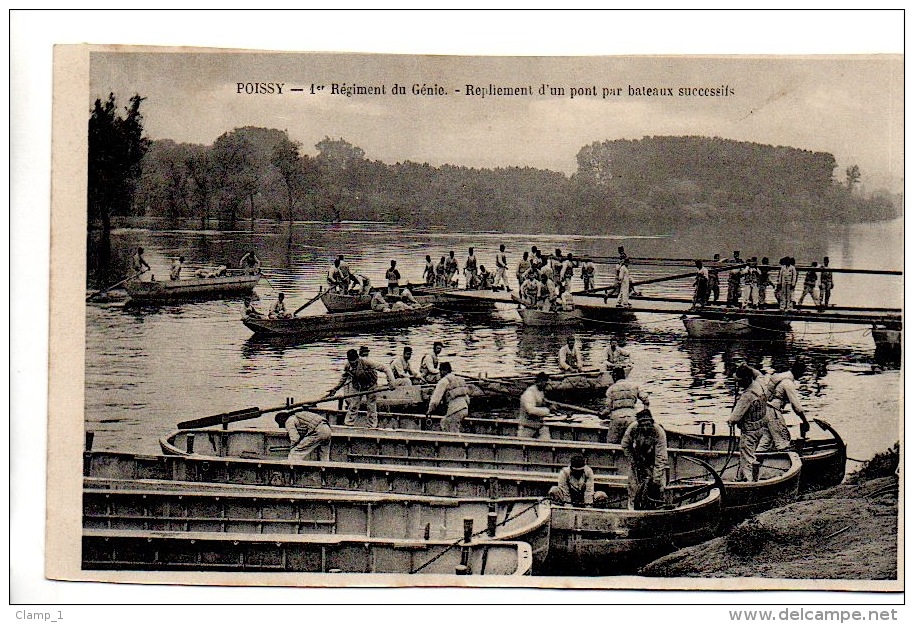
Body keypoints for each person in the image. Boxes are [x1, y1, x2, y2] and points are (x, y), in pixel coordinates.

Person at [326, 348, 395, 428]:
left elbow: (386, 368)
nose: (353, 365)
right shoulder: (347, 366)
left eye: (355, 363)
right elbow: (343, 378)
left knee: (371, 406)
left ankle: (372, 426)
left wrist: (391, 382)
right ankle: (348, 424)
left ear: (358, 358)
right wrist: (335, 389)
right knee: (353, 405)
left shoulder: (367, 362)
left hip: (370, 386)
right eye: (351, 363)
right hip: (357, 386)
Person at [727, 365, 769, 482]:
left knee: (748, 459)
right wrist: (746, 367)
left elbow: (734, 418)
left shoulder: (747, 396)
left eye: (739, 381)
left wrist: (730, 421)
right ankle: (740, 478)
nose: (738, 384)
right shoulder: (760, 384)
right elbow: (759, 373)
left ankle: (751, 482)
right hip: (761, 428)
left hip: (749, 432)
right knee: (747, 455)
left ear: (746, 380)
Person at [620, 409, 669, 510]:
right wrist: (635, 461)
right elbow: (625, 445)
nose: (646, 427)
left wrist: (656, 478)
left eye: (648, 424)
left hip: (654, 460)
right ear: (638, 424)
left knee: (658, 486)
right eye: (643, 425)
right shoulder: (632, 428)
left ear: (652, 422)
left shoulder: (659, 432)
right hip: (638, 460)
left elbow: (661, 457)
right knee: (633, 488)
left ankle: (658, 507)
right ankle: (633, 509)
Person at [601, 367, 650, 443]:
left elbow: (608, 409)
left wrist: (602, 414)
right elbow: (646, 401)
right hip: (632, 416)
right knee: (633, 441)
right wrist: (645, 412)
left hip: (617, 417)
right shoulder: (634, 386)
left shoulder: (611, 389)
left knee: (612, 442)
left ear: (614, 377)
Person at [427, 361, 471, 433]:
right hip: (465, 408)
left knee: (448, 427)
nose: (440, 373)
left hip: (455, 410)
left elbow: (435, 400)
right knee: (445, 422)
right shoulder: (459, 379)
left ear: (444, 371)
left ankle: (454, 443)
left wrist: (429, 411)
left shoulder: (444, 381)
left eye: (440, 371)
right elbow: (467, 398)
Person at [518, 372, 552, 439]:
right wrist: (547, 410)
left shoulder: (540, 391)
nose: (547, 385)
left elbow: (540, 402)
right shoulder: (529, 393)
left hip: (538, 426)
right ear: (540, 381)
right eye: (546, 382)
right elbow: (531, 410)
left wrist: (548, 404)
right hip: (527, 428)